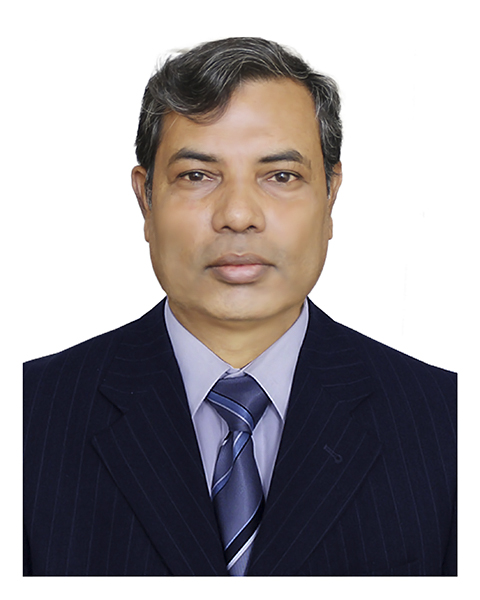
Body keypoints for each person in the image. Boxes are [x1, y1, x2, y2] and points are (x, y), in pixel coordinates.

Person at [23, 37, 456, 576]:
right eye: (197, 175)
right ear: (145, 199)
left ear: (330, 196)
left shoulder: (451, 424)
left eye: (281, 176)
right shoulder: (26, 417)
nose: (238, 215)